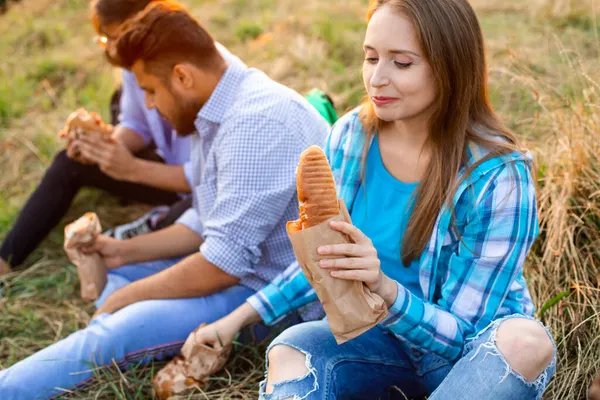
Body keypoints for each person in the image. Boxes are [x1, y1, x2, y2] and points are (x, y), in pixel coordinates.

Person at [183, 0, 557, 399]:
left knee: (527, 342)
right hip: (380, 342)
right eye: (371, 57)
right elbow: (323, 257)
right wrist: (234, 321)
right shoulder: (351, 137)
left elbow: (461, 336)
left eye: (402, 63)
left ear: (450, 66)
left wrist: (383, 286)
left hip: (466, 363)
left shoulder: (497, 176)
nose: (376, 79)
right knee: (293, 348)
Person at [0, 1, 329, 398]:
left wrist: (126, 298)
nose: (150, 105)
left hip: (268, 295)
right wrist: (122, 252)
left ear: (182, 76)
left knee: (113, 329)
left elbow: (222, 265)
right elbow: (205, 220)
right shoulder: (217, 102)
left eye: (150, 91)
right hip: (236, 265)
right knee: (116, 276)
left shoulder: (255, 125)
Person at [0, 0, 244, 275]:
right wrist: (103, 146)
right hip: (166, 169)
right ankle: (5, 260)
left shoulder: (197, 75)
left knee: (191, 222)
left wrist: (133, 170)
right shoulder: (135, 61)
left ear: (148, 23)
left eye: (117, 37)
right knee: (70, 162)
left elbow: (208, 179)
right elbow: (137, 123)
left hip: (200, 185)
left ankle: (149, 231)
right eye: (106, 40)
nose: (113, 49)